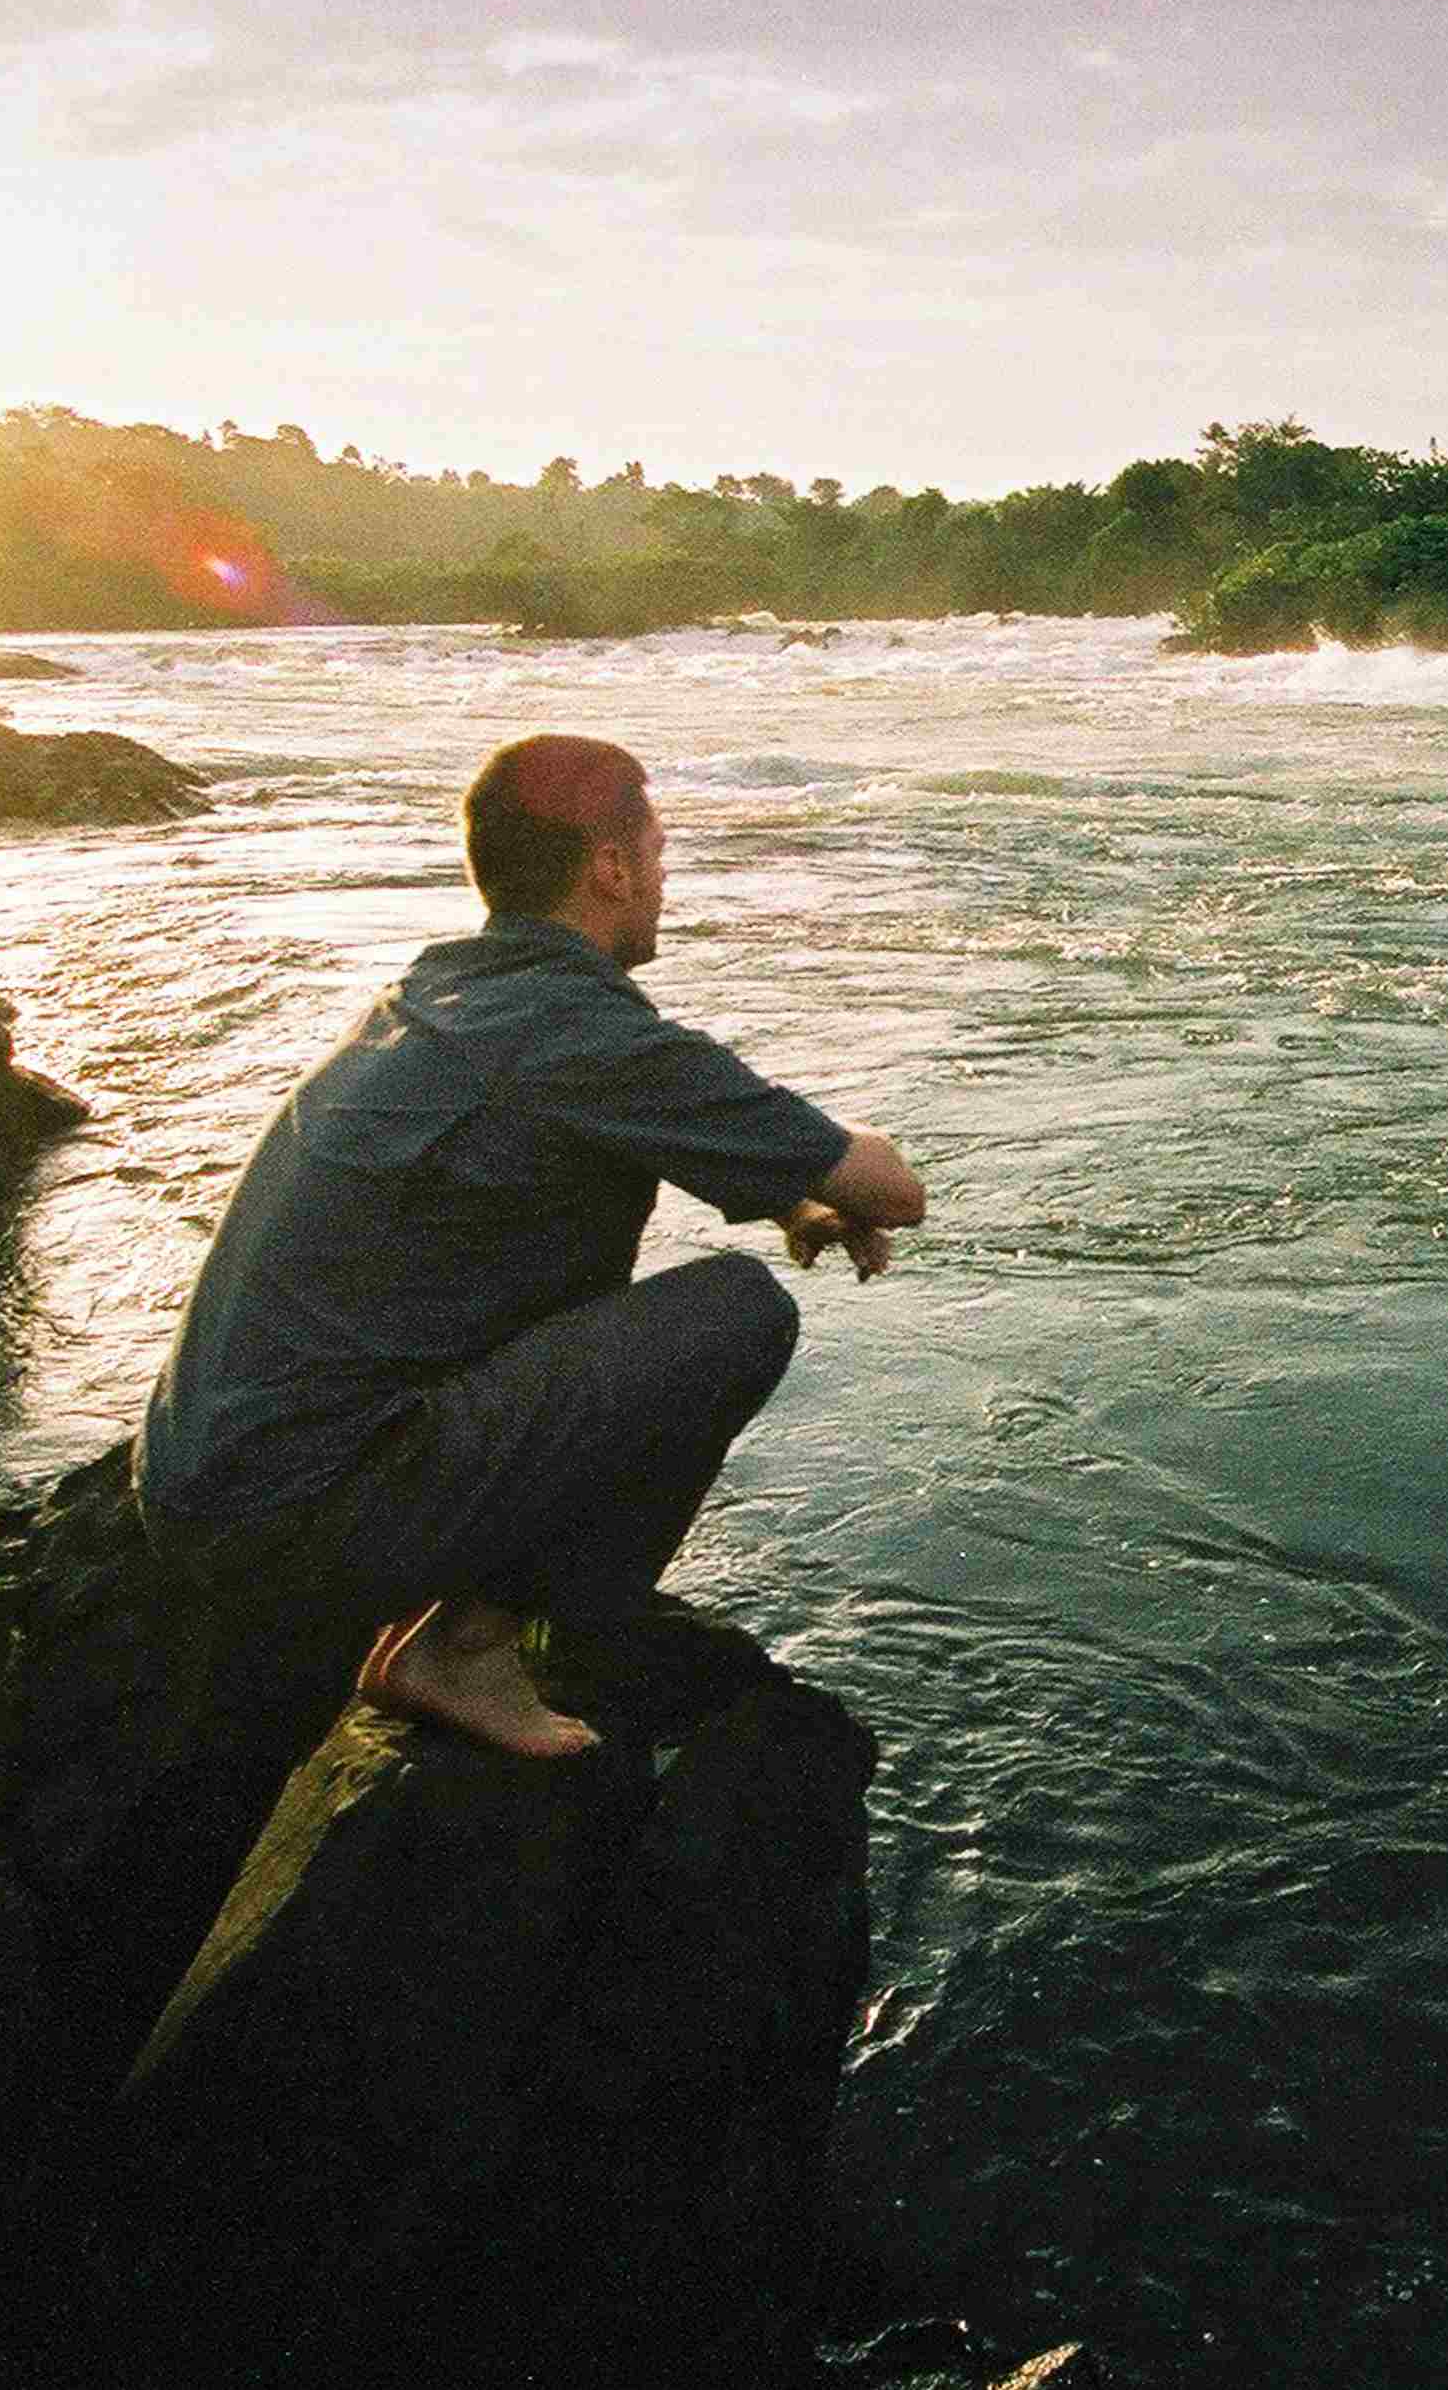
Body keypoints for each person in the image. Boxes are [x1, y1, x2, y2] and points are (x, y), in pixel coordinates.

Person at [136, 732, 925, 1759]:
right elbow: (891, 1189)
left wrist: (787, 1200)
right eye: (659, 851)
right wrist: (827, 1167)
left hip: (195, 1491)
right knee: (738, 1312)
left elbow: (591, 1124)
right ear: (611, 866)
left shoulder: (437, 995)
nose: (665, 880)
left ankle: (449, 1629)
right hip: (294, 1523)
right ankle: (471, 1645)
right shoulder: (580, 1031)